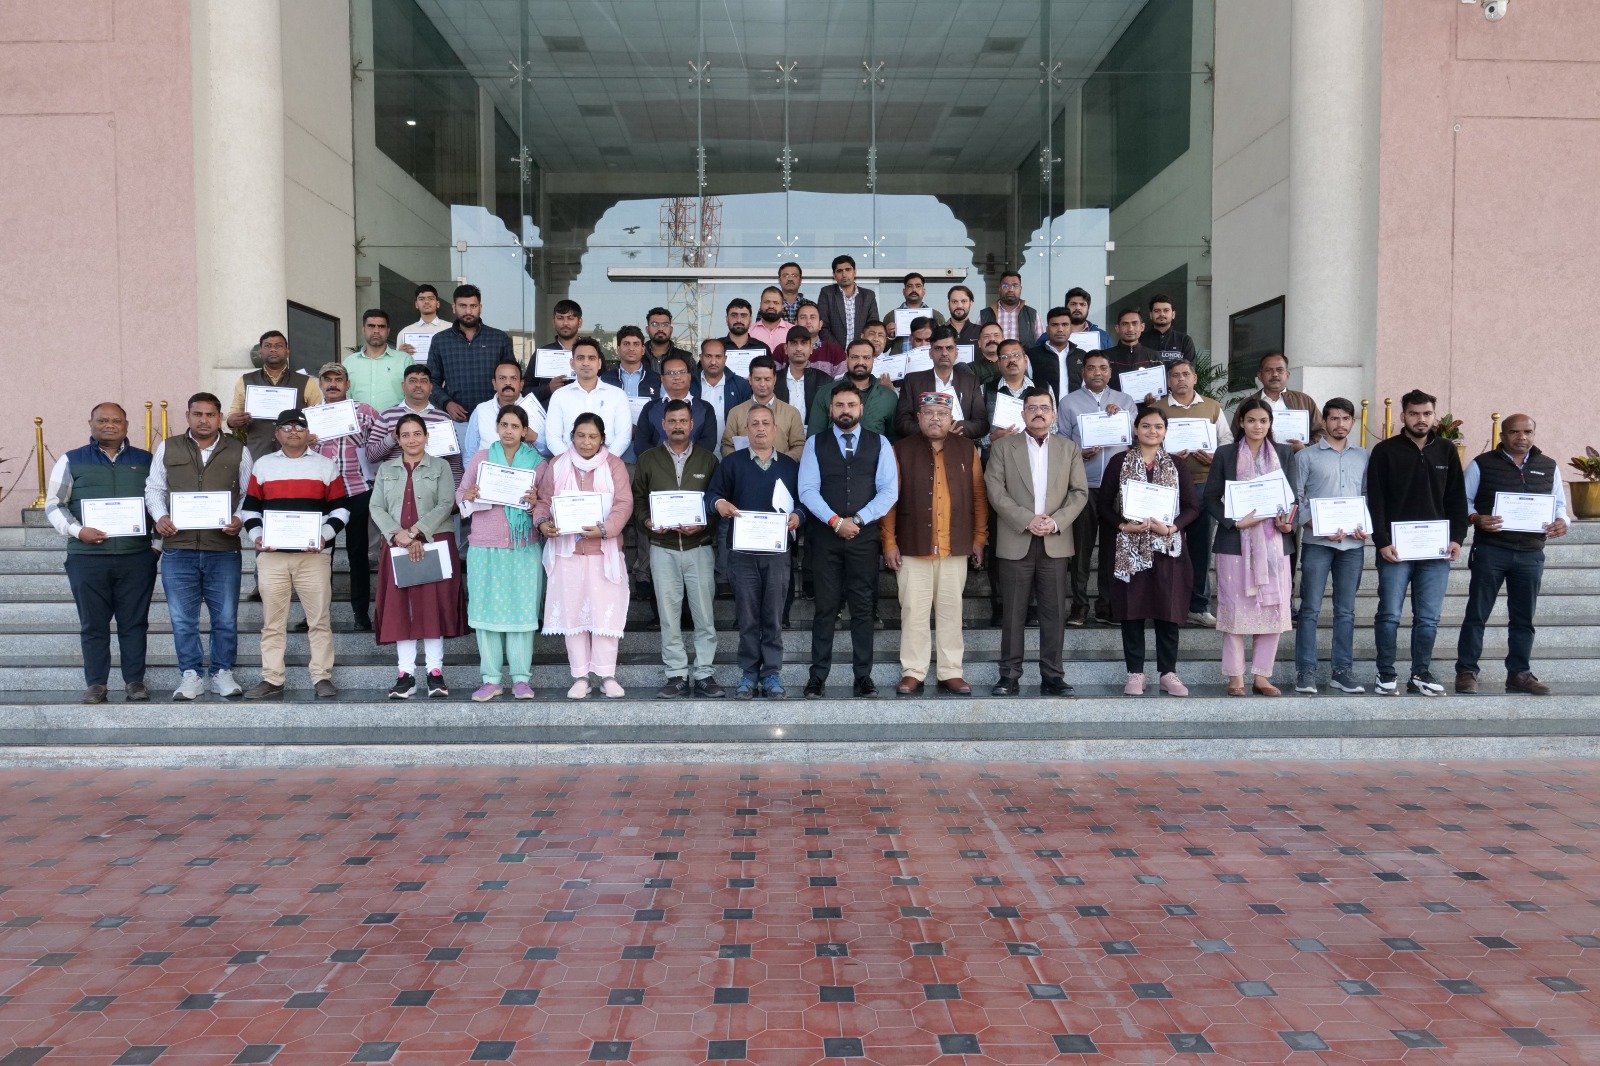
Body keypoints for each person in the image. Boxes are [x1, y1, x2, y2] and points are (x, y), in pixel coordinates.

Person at [46, 402, 159, 704]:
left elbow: (159, 502)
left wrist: (156, 547)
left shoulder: (146, 460)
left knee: (134, 623)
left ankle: (135, 681)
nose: (110, 425)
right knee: (93, 624)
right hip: (87, 558)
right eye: (103, 420)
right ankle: (96, 683)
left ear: (126, 425)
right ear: (91, 424)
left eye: (116, 420)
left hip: (136, 557)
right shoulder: (71, 460)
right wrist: (77, 530)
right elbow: (54, 504)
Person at [146, 392, 252, 699]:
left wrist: (239, 517)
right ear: (188, 416)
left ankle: (222, 672)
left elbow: (249, 493)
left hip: (223, 549)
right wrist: (160, 516)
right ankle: (190, 674)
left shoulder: (239, 450)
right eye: (197, 414)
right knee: (182, 619)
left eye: (210, 414)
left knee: (225, 617)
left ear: (220, 418)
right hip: (178, 548)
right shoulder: (168, 447)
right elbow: (154, 488)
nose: (203, 420)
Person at [1455, 413, 1569, 696]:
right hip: (1491, 550)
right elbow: (1461, 501)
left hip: (1530, 553)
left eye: (1527, 432)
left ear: (1534, 434)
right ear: (1502, 435)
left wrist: (1562, 521)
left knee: (1523, 618)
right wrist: (1475, 518)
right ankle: (1467, 671)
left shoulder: (1548, 466)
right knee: (1477, 613)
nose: (1522, 437)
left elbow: (1559, 505)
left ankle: (1519, 674)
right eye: (1514, 432)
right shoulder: (1482, 464)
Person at [984, 387, 1088, 696]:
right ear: (1023, 413)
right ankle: (1009, 676)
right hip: (1017, 537)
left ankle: (1053, 676)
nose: (1038, 412)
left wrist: (1055, 521)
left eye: (1044, 407)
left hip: (1055, 540)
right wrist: (1026, 519)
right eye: (1032, 407)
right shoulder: (1003, 447)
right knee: (1013, 613)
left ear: (1053, 414)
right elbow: (995, 490)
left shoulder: (1069, 448)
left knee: (1054, 613)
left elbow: (1079, 492)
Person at [1365, 389, 1469, 696]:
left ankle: (1420, 673)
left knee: (1428, 618)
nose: (1420, 419)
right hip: (1395, 549)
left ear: (1434, 416)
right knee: (1389, 615)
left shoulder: (1447, 450)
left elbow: (1456, 499)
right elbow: (1376, 500)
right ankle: (1386, 674)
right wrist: (1381, 541)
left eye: (1426, 413)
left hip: (1435, 550)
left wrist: (1457, 538)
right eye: (1414, 413)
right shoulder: (1385, 451)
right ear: (1403, 416)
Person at [240, 409, 349, 701]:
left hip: (314, 556)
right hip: (272, 556)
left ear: (308, 433)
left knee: (319, 620)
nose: (293, 432)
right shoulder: (263, 465)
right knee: (272, 622)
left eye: (299, 427)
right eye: (286, 427)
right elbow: (250, 509)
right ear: (277, 434)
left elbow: (341, 509)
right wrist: (257, 536)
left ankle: (322, 677)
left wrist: (323, 536)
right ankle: (272, 678)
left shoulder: (325, 466)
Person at [799, 381, 899, 698]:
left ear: (861, 409)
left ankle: (863, 677)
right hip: (825, 538)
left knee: (862, 608)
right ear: (830, 409)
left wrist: (857, 520)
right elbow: (807, 490)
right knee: (825, 608)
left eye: (851, 405)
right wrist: (835, 521)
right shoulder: (815, 443)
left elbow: (889, 491)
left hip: (864, 537)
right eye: (839, 405)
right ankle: (817, 677)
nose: (845, 410)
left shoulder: (880, 443)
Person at [883, 393, 987, 696]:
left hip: (954, 544)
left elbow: (978, 496)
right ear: (918, 418)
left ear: (951, 418)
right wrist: (889, 541)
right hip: (913, 544)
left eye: (941, 413)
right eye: (928, 413)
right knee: (913, 611)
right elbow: (889, 500)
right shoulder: (901, 449)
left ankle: (950, 671)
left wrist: (979, 538)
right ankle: (913, 672)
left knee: (951, 611)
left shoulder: (967, 449)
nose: (935, 419)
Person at [531, 412, 634, 699]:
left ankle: (606, 675)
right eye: (581, 435)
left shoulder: (614, 465)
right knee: (573, 615)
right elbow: (543, 501)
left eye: (593, 436)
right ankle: (580, 677)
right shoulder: (557, 464)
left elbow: (624, 503)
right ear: (572, 436)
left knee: (605, 615)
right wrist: (543, 523)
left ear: (602, 439)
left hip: (603, 552)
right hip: (568, 554)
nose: (586, 442)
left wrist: (605, 529)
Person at [1098, 406, 1201, 696]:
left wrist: (1171, 528)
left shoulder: (1177, 464)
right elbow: (1103, 504)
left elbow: (1193, 507)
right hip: (1130, 550)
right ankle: (1135, 673)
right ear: (1136, 429)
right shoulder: (1119, 462)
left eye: (1158, 426)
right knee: (1131, 611)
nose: (1152, 431)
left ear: (1165, 431)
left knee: (1168, 611)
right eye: (1146, 426)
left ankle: (1168, 673)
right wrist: (1123, 526)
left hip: (1167, 549)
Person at [1204, 398, 1298, 697]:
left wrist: (1288, 523)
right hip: (1235, 543)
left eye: (1263, 421)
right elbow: (1210, 497)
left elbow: (1293, 498)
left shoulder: (1284, 453)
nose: (1258, 426)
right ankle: (1236, 677)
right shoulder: (1226, 453)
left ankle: (1262, 677)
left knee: (1272, 611)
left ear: (1270, 424)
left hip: (1274, 544)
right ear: (1241, 423)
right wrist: (1234, 522)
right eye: (1252, 420)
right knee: (1234, 611)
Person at [707, 405, 803, 699]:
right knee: (748, 617)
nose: (760, 428)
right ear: (746, 430)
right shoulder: (732, 463)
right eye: (754, 424)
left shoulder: (789, 466)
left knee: (773, 617)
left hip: (777, 554)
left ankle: (771, 673)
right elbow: (712, 495)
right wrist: (719, 504)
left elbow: (804, 502)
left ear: (775, 429)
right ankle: (749, 674)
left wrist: (798, 515)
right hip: (743, 556)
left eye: (765, 423)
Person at [370, 412, 466, 699]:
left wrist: (415, 532)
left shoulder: (441, 466)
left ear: (426, 436)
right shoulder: (386, 469)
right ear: (397, 439)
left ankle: (435, 672)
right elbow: (376, 507)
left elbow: (446, 503)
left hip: (434, 542)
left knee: (432, 607)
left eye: (417, 433)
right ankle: (406, 674)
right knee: (401, 607)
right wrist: (398, 535)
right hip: (396, 544)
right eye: (405, 435)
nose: (412, 439)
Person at [633, 400, 722, 699]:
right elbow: (639, 499)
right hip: (663, 548)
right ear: (663, 425)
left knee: (704, 615)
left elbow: (716, 502)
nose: (678, 426)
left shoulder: (708, 460)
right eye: (672, 421)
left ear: (692, 424)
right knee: (669, 616)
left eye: (683, 421)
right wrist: (648, 522)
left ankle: (705, 673)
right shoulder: (648, 459)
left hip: (699, 547)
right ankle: (676, 674)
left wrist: (704, 525)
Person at [458, 404, 544, 702]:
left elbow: (546, 504)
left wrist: (535, 502)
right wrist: (469, 496)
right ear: (496, 427)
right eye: (504, 425)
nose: (509, 431)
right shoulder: (481, 459)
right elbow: (461, 495)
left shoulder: (537, 464)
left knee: (522, 612)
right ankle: (491, 679)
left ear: (524, 431)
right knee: (486, 614)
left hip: (522, 547)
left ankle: (521, 679)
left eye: (515, 426)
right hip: (485, 546)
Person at [1291, 398, 1369, 694]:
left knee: (1346, 611)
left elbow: (1367, 495)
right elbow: (1296, 498)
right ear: (1324, 422)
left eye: (1345, 418)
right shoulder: (1306, 456)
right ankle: (1306, 671)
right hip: (1317, 544)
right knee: (1310, 608)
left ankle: (1342, 671)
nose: (1340, 424)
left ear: (1353, 422)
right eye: (1334, 418)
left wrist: (1364, 524)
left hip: (1352, 546)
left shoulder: (1363, 456)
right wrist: (1316, 525)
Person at [1151, 358, 1233, 626]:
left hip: (1202, 484)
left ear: (1195, 378)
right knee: (1163, 546)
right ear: (1168, 380)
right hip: (1165, 486)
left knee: (1200, 547)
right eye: (1175, 375)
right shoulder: (1157, 409)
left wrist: (1214, 456)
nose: (1181, 379)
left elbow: (1227, 441)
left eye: (1186, 374)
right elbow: (1146, 443)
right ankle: (1164, 603)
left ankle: (1198, 605)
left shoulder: (1212, 407)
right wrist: (1166, 456)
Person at [1059, 351, 1133, 627]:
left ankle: (1107, 606)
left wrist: (1120, 417)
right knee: (1081, 549)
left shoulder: (1125, 401)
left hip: (1117, 487)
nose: (1097, 373)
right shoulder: (1069, 402)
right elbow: (1061, 442)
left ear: (1110, 372)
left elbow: (1134, 436)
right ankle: (1079, 606)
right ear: (1083, 373)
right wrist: (1079, 453)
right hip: (1083, 486)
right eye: (1091, 368)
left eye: (1103, 368)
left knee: (1112, 549)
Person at [309, 362, 379, 632]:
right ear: (320, 384)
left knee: (358, 554)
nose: (333, 384)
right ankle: (316, 614)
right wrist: (307, 442)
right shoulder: (310, 416)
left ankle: (360, 613)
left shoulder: (364, 412)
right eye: (327, 379)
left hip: (357, 490)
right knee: (319, 555)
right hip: (323, 494)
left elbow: (380, 447)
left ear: (347, 384)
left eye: (338, 379)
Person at [980, 339, 1036, 624]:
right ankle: (1001, 604)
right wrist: (992, 438)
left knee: (1034, 538)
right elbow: (975, 432)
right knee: (999, 540)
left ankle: (1032, 605)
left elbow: (1055, 428)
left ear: (1025, 359)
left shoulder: (1041, 389)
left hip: (1035, 473)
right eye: (1005, 356)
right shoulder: (986, 389)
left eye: (1016, 355)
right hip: (998, 473)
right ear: (998, 362)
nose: (1011, 360)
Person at [426, 283, 515, 422]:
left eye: (473, 306)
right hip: (456, 420)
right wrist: (446, 403)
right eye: (463, 306)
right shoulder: (440, 340)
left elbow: (512, 378)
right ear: (454, 307)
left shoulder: (499, 339)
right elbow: (431, 381)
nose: (468, 311)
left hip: (495, 418)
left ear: (480, 307)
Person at [227, 330, 321, 459]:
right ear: (260, 351)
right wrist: (232, 421)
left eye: (278, 346)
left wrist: (311, 436)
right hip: (257, 454)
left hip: (296, 456)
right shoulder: (245, 380)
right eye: (268, 346)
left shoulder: (306, 382)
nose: (273, 349)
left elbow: (318, 418)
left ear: (287, 351)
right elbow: (233, 416)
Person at [367, 363, 465, 484]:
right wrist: (392, 437)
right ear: (403, 386)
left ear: (431, 387)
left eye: (423, 381)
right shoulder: (387, 415)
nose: (418, 385)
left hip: (433, 487)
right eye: (413, 381)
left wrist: (455, 491)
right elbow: (371, 456)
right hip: (395, 486)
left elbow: (454, 462)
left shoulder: (443, 418)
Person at [894, 325, 989, 441]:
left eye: (949, 348)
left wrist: (953, 428)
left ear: (956, 353)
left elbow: (981, 424)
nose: (944, 353)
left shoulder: (970, 382)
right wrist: (932, 431)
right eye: (938, 348)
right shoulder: (912, 381)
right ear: (930, 353)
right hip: (922, 445)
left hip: (959, 445)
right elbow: (901, 422)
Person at [545, 337, 633, 459]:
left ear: (599, 363)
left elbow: (624, 437)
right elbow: (552, 437)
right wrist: (571, 462)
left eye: (591, 358)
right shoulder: (559, 396)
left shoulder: (617, 395)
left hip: (608, 463)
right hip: (567, 463)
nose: (586, 363)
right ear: (572, 363)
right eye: (580, 358)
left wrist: (603, 461)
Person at [806, 339, 898, 438]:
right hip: (832, 447)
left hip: (875, 447)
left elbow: (893, 439)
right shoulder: (826, 392)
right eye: (855, 357)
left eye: (866, 358)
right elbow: (814, 437)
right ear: (847, 358)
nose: (860, 362)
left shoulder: (888, 396)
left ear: (873, 360)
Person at [462, 361, 545, 468]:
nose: (508, 383)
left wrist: (535, 439)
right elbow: (469, 454)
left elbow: (550, 453)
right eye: (502, 378)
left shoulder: (535, 410)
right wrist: (473, 476)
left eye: (513, 378)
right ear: (494, 383)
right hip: (487, 475)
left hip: (525, 475)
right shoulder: (481, 410)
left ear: (521, 384)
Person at [723, 356, 806, 461]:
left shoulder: (791, 413)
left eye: (767, 379)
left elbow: (799, 446)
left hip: (781, 469)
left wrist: (781, 462)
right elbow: (727, 445)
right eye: (757, 379)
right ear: (750, 379)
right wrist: (741, 463)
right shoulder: (736, 413)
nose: (762, 384)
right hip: (744, 470)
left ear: (774, 379)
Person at [600, 325, 662, 464]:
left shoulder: (657, 379)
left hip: (648, 444)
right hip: (611, 444)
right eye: (626, 344)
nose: (631, 348)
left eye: (636, 344)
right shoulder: (604, 379)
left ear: (643, 349)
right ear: (618, 349)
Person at [635, 353, 719, 455]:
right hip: (656, 464)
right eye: (670, 373)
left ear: (689, 376)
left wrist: (685, 460)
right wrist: (661, 462)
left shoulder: (705, 408)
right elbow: (641, 444)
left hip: (695, 464)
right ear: (662, 379)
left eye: (682, 372)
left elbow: (708, 443)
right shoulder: (650, 408)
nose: (677, 377)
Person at [1243, 352, 1322, 450]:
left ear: (1287, 374)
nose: (1275, 374)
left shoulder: (1304, 400)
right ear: (1260, 376)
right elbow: (1236, 435)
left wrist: (1305, 448)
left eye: (1280, 370)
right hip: (1256, 458)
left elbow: (1321, 431)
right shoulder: (1248, 403)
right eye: (1268, 370)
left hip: (1295, 457)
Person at [344, 308, 410, 413]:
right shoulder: (349, 362)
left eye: (381, 326)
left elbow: (413, 395)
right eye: (371, 326)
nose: (376, 331)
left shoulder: (404, 360)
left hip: (396, 421)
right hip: (360, 421)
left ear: (388, 331)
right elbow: (344, 397)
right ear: (363, 330)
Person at [691, 337, 753, 440]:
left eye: (718, 356)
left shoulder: (741, 385)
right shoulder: (689, 383)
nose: (713, 362)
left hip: (730, 447)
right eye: (708, 356)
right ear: (701, 357)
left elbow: (746, 420)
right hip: (696, 448)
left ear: (725, 358)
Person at [816, 254, 880, 351]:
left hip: (861, 353)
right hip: (834, 354)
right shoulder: (827, 293)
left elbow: (872, 327)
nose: (844, 274)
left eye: (848, 270)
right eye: (839, 271)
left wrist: (859, 351)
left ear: (855, 272)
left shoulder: (868, 295)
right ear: (834, 275)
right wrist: (839, 352)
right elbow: (822, 327)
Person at [526, 299, 584, 403]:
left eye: (570, 318)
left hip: (585, 411)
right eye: (560, 318)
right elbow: (525, 391)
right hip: (549, 412)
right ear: (553, 322)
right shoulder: (542, 354)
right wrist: (548, 388)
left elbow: (604, 386)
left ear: (580, 322)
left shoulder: (591, 353)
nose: (565, 323)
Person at [775, 327, 834, 422]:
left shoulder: (825, 381)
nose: (799, 348)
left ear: (811, 348)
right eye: (794, 343)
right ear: (786, 349)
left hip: (814, 431)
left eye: (804, 343)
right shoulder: (773, 380)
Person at [1102, 308, 1163, 396]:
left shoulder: (1154, 357)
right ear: (1117, 328)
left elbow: (1161, 391)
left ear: (1142, 327)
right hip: (1112, 404)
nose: (1130, 329)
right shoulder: (1104, 357)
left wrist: (1155, 399)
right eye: (1125, 324)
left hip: (1146, 405)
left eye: (1135, 323)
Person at [1027, 306, 1082, 401]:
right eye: (1055, 325)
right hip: (1043, 408)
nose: (1060, 329)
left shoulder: (1081, 356)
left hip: (1075, 408)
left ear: (1071, 328)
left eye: (1065, 324)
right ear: (1047, 329)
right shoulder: (1032, 355)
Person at [887, 271, 944, 351]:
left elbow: (943, 344)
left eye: (918, 286)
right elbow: (882, 349)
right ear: (904, 291)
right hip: (900, 359)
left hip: (928, 358)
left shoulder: (936, 316)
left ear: (924, 291)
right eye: (910, 286)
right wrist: (889, 336)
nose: (914, 289)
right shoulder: (891, 316)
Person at [979, 271, 1040, 345]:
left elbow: (1041, 344)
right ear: (999, 288)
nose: (1010, 289)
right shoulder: (985, 314)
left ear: (1020, 289)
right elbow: (977, 342)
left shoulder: (1032, 314)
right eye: (1005, 286)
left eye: (1015, 285)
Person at [396, 284, 452, 361]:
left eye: (431, 298)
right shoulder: (405, 332)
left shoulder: (451, 328)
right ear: (416, 304)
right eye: (421, 299)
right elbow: (398, 362)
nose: (426, 302)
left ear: (438, 304)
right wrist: (399, 354)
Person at [793, 301, 847, 378]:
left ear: (820, 324)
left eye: (812, 317)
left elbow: (842, 382)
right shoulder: (782, 351)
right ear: (796, 323)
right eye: (803, 317)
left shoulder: (835, 351)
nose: (808, 321)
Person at [1141, 293, 1197, 362]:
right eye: (1157, 311)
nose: (1162, 314)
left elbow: (1189, 367)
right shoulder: (1140, 340)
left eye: (1166, 310)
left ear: (1173, 314)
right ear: (1150, 315)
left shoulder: (1184, 341)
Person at [645, 306, 695, 374]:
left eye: (665, 325)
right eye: (655, 324)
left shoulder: (686, 358)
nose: (660, 329)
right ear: (647, 329)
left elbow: (694, 380)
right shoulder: (638, 356)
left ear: (671, 329)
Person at [1062, 287, 1111, 352]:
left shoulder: (1103, 336)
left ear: (1088, 308)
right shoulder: (1052, 334)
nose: (1078, 308)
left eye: (1082, 304)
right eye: (1073, 304)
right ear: (1066, 307)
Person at [750, 287, 793, 352]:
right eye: (767, 302)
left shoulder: (792, 331)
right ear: (760, 304)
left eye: (776, 303)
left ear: (782, 306)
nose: (771, 306)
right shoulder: (749, 332)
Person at [971, 321, 1006, 389]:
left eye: (996, 335)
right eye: (986, 336)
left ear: (1003, 341)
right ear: (979, 343)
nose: (992, 339)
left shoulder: (1012, 364)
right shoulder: (970, 369)